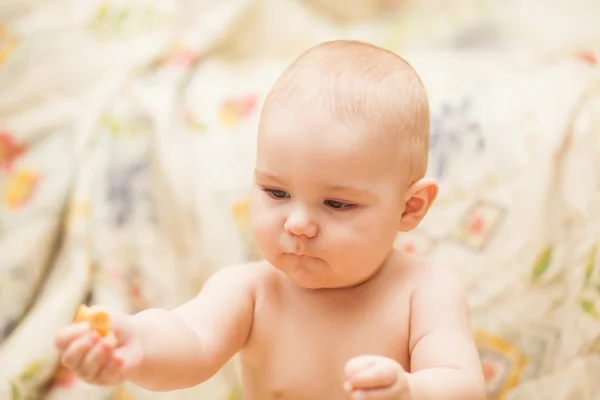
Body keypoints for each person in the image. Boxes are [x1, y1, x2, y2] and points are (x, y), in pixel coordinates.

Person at [55, 40, 486, 400]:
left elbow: (462, 384)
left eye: (337, 204)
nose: (297, 223)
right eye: (276, 193)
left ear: (410, 208)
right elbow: (191, 340)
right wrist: (138, 345)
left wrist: (409, 392)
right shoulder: (251, 292)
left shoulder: (424, 291)